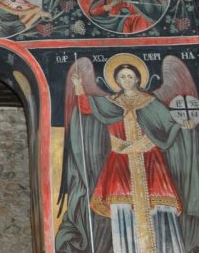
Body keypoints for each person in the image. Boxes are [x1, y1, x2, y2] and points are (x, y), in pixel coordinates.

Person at [57, 53, 199, 252]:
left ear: (138, 79)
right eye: (122, 77)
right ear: (116, 80)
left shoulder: (150, 102)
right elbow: (86, 107)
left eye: (130, 76)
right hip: (120, 162)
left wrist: (184, 125)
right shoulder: (111, 103)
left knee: (159, 208)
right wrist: (78, 86)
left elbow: (169, 125)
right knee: (123, 208)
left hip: (151, 162)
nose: (126, 80)